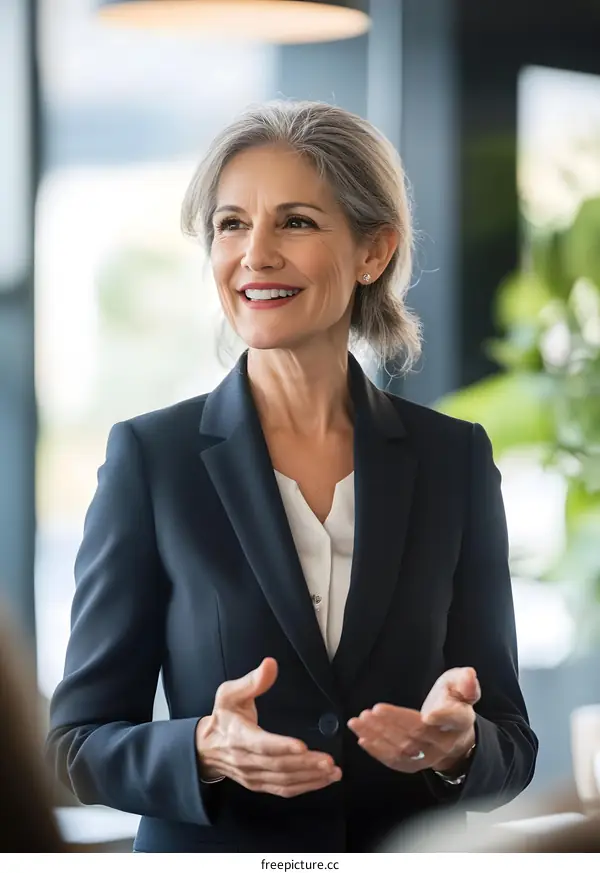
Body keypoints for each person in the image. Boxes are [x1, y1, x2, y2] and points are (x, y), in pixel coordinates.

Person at [47, 100, 538, 853]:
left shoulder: (454, 459)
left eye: (296, 222)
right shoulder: (151, 458)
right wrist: (203, 747)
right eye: (231, 224)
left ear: (374, 251)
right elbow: (75, 746)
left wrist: (458, 747)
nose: (256, 254)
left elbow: (512, 743)